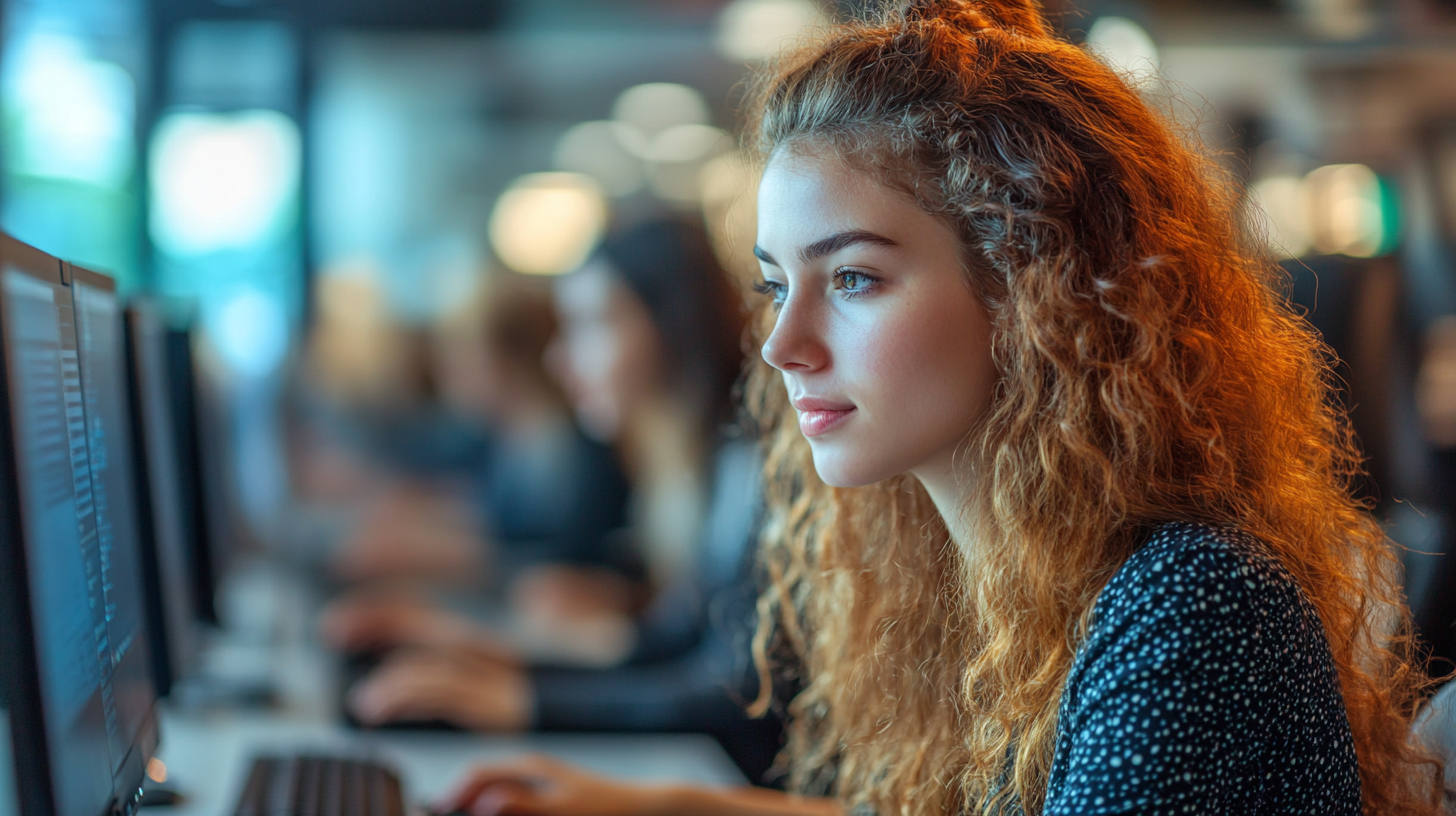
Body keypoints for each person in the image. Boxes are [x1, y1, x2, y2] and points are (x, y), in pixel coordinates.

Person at [431, 1, 1447, 814]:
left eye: (857, 279)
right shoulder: (1002, 579)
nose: (784, 347)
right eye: (777, 284)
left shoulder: (1189, 610)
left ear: (1036, 293)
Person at [332, 219, 784, 780]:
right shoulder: (691, 463)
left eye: (591, 325)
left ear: (671, 323)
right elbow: (666, 643)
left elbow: (730, 693)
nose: (560, 358)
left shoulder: (751, 465)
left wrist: (521, 699)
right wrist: (492, 662)